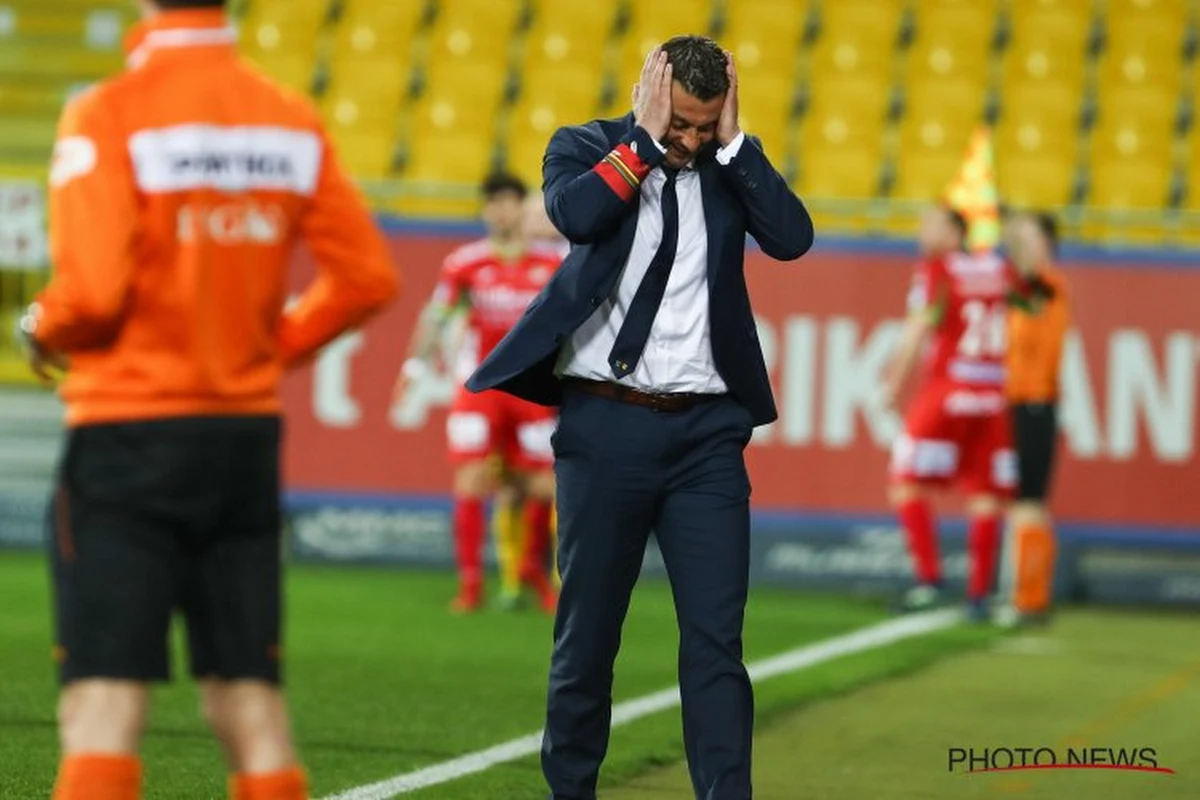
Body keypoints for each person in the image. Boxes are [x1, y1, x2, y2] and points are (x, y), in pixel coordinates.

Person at [16, 2, 400, 798]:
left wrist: (38, 323)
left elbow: (89, 294)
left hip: (128, 437)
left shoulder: (109, 111)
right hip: (241, 438)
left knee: (104, 701)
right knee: (248, 699)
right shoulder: (287, 116)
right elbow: (367, 279)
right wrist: (268, 350)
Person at [466, 36, 813, 800]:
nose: (690, 140)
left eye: (703, 124)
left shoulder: (726, 166)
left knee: (717, 643)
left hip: (707, 437)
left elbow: (793, 239)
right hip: (604, 427)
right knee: (586, 640)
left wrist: (736, 144)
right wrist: (645, 146)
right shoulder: (586, 148)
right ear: (649, 94)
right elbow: (577, 215)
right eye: (679, 123)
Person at [394, 173, 560, 614]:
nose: (502, 210)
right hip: (479, 386)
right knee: (471, 479)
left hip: (530, 388)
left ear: (522, 208)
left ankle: (532, 571)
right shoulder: (463, 263)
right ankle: (470, 584)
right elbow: (437, 317)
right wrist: (413, 366)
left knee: (542, 486)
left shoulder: (551, 264)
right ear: (485, 210)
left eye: (510, 202)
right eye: (494, 203)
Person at [881, 205, 1018, 621]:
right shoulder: (999, 270)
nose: (923, 233)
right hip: (993, 395)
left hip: (948, 389)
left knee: (905, 481)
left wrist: (892, 382)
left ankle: (930, 579)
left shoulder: (939, 269)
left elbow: (919, 326)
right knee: (984, 495)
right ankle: (979, 595)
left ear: (956, 230)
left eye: (931, 225)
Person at [999, 211, 1070, 622]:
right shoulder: (1026, 287)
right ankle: (1029, 594)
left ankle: (1027, 598)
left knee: (1027, 503)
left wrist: (1010, 232)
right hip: (1023, 402)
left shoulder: (1049, 284)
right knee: (1027, 504)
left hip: (1033, 402)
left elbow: (1024, 271)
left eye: (1030, 236)